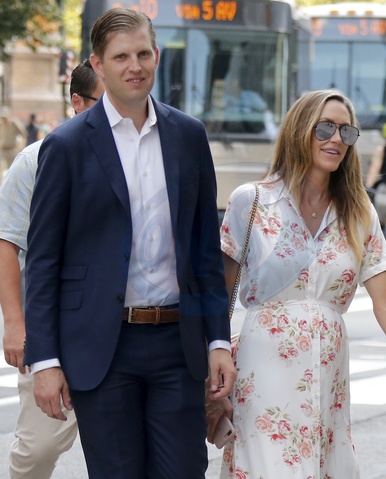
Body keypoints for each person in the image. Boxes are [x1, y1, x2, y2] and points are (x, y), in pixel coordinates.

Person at [24, 8, 235, 479]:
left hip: (177, 344)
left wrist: (219, 341)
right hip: (101, 347)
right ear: (98, 65)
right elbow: (42, 262)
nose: (134, 66)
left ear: (156, 55)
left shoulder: (188, 136)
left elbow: (205, 249)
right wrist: (46, 361)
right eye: (121, 57)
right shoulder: (66, 146)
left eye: (142, 54)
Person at [216, 90, 386, 478]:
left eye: (346, 132)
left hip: (329, 373)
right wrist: (213, 354)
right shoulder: (252, 202)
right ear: (299, 130)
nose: (336, 139)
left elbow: (385, 299)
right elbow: (219, 291)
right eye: (325, 128)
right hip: (262, 370)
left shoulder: (358, 212)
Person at [0, 59, 104, 479]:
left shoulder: (141, 156)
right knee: (37, 450)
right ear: (77, 102)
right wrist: (15, 325)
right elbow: (7, 242)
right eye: (104, 100)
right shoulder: (34, 160)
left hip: (119, 329)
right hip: (54, 328)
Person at [0, 108, 27, 174]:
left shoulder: (14, 123)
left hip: (12, 149)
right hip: (3, 149)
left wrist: (21, 145)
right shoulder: (1, 124)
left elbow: (24, 134)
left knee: (12, 169)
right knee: (2, 169)